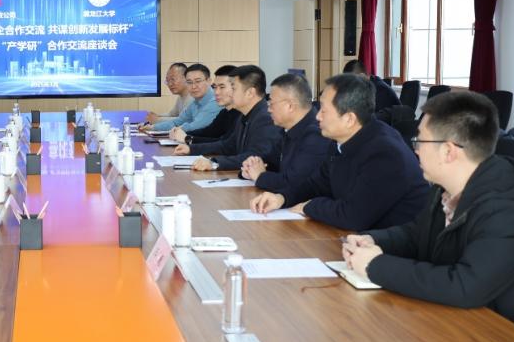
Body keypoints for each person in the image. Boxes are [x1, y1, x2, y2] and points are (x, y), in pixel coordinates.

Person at [341, 91, 514, 338]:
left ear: (448, 152)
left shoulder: (509, 212)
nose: (415, 150)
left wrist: (376, 266)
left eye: (420, 141)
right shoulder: (446, 189)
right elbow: (416, 235)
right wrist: (373, 240)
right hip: (466, 325)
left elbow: (464, 286)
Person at [251, 73, 427, 231]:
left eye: (324, 110)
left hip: (391, 248)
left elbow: (353, 216)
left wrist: (309, 206)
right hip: (357, 239)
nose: (317, 116)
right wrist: (282, 198)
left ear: (349, 118)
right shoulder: (340, 141)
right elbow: (316, 184)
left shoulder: (385, 153)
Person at [174, 65, 282, 171]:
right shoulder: (245, 115)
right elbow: (227, 145)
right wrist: (191, 149)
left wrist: (214, 163)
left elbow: (255, 158)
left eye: (233, 88)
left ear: (250, 93)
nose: (230, 93)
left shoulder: (266, 118)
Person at [240, 73, 333, 193]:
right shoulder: (288, 129)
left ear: (290, 106)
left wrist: (260, 176)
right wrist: (250, 168)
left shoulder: (316, 135)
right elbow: (270, 162)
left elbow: (295, 183)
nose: (268, 109)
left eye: (271, 103)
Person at [168, 65, 240, 144]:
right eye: (215, 87)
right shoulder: (225, 112)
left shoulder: (242, 115)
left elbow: (226, 144)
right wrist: (181, 134)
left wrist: (187, 138)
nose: (216, 92)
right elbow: (209, 132)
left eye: (222, 87)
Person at [144, 63, 220, 134]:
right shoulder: (195, 102)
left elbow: (195, 126)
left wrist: (174, 129)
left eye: (198, 81)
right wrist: (152, 127)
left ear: (209, 81)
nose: (193, 86)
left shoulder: (216, 101)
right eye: (189, 82)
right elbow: (177, 122)